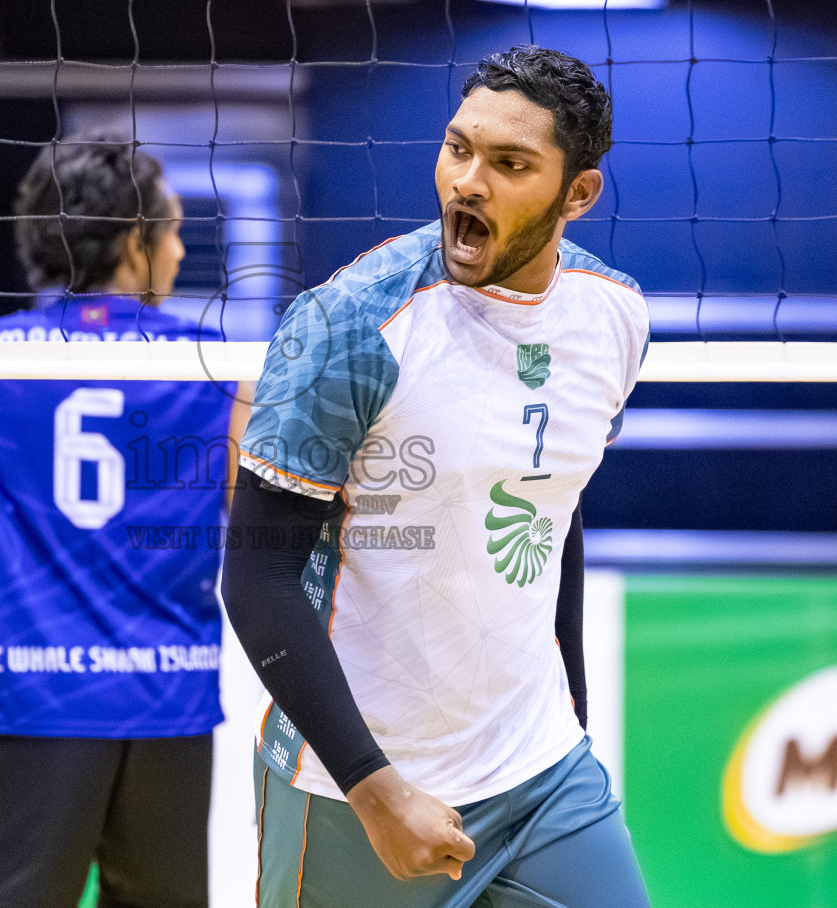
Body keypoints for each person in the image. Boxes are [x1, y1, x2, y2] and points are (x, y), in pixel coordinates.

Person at [223, 46, 652, 908]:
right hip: (359, 789)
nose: (469, 182)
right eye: (459, 149)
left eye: (510, 164)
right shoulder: (349, 326)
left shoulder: (613, 316)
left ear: (579, 195)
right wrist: (374, 791)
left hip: (541, 775)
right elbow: (257, 574)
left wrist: (571, 699)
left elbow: (552, 507)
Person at [0, 133, 245, 908]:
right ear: (132, 242)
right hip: (168, 704)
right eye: (173, 229)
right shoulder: (216, 366)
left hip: (21, 699)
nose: (179, 251)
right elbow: (262, 544)